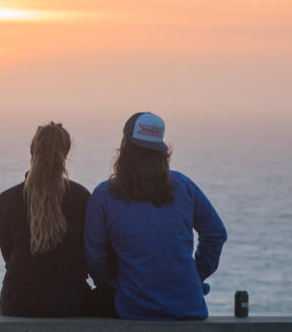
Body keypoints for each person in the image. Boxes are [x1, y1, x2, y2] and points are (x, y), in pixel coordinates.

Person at [84, 112, 227, 320]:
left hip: (134, 310)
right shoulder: (184, 187)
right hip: (189, 309)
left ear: (125, 149)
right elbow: (215, 234)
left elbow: (94, 258)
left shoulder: (104, 196)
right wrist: (194, 278)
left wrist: (118, 284)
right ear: (161, 153)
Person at [0, 122, 97, 317]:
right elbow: (89, 253)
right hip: (67, 301)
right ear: (66, 153)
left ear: (32, 151)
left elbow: (8, 256)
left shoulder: (7, 199)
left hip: (17, 300)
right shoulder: (81, 197)